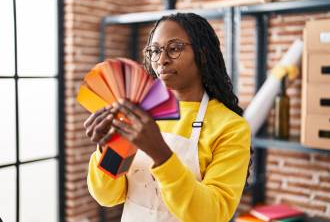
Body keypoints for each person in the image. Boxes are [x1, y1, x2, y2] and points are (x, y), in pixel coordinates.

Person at [85, 12, 251, 222]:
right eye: (154, 51)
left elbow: (213, 214)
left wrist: (161, 154)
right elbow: (108, 196)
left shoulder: (230, 127)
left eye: (174, 49)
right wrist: (105, 149)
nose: (161, 60)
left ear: (202, 53)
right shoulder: (139, 112)